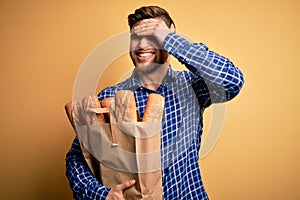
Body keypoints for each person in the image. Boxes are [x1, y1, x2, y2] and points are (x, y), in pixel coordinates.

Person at [65, 5, 244, 200]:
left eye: (152, 36)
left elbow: (231, 81)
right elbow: (77, 158)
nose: (141, 45)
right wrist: (102, 195)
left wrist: (170, 40)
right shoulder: (110, 98)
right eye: (135, 38)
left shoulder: (191, 86)